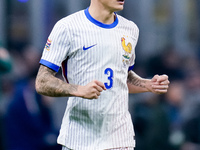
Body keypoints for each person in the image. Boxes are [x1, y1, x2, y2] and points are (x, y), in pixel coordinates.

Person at [35, 0, 170, 150]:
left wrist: (147, 85)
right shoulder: (67, 27)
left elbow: (121, 76)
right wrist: (79, 90)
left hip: (121, 140)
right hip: (79, 140)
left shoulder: (130, 29)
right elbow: (42, 82)